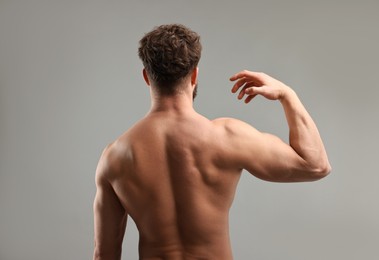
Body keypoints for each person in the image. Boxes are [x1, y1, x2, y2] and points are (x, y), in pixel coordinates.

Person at [93, 24, 331, 260]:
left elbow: (105, 254)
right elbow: (316, 165)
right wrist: (287, 94)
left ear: (146, 77)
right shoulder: (227, 137)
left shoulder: (115, 157)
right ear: (195, 74)